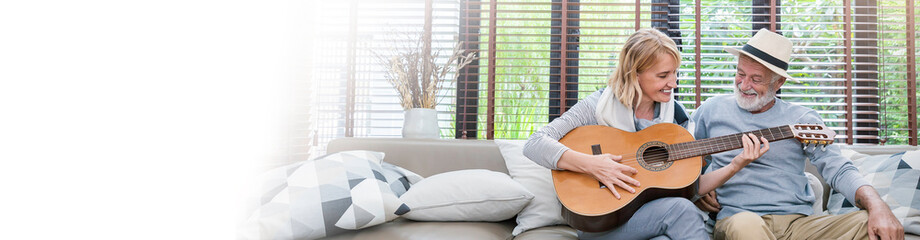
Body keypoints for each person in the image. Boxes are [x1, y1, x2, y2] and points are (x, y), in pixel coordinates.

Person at [523, 28, 767, 240]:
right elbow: (534, 143)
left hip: (653, 218)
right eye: (663, 76)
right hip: (601, 221)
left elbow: (692, 188)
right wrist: (593, 165)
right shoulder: (596, 106)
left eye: (675, 73)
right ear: (634, 74)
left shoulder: (678, 119)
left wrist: (737, 164)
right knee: (682, 212)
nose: (673, 83)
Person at [691, 28, 904, 240]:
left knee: (874, 224)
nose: (744, 85)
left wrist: (877, 205)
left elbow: (838, 168)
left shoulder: (803, 119)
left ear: (779, 83)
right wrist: (696, 190)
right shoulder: (712, 109)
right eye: (740, 74)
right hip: (738, 220)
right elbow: (686, 156)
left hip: (798, 225)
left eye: (756, 79)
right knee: (746, 225)